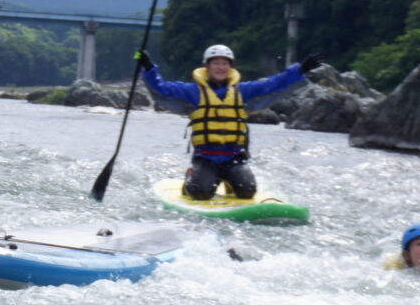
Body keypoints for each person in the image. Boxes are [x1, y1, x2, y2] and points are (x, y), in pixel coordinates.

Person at [137, 45, 323, 200]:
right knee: (200, 192)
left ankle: (230, 181)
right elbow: (161, 88)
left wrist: (299, 69)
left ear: (230, 67)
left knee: (247, 190)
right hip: (205, 158)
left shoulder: (243, 90)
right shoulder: (192, 91)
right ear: (207, 66)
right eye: (216, 63)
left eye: (225, 63)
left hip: (234, 158)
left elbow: (272, 84)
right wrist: (148, 66)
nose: (220, 67)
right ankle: (190, 180)